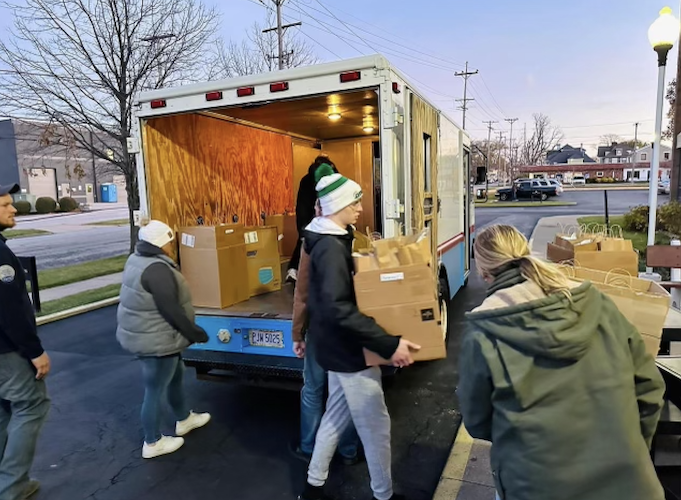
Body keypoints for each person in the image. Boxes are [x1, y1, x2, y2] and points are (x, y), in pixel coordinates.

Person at [458, 224, 666, 500]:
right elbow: (649, 388)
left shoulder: (485, 331)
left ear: (484, 273)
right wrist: (630, 450)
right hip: (630, 485)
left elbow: (478, 422)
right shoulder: (597, 302)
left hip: (536, 486)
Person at [298, 165, 420, 500]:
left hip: (334, 348)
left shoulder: (327, 239)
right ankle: (384, 495)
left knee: (336, 414)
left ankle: (313, 485)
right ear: (337, 205)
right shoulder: (330, 247)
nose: (360, 208)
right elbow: (339, 307)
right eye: (355, 203)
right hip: (348, 351)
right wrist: (389, 343)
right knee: (376, 427)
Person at [116, 220, 211, 459]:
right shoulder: (157, 270)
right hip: (156, 341)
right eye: (169, 240)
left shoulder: (138, 259)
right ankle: (152, 442)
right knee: (155, 389)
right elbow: (171, 309)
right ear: (162, 242)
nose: (172, 244)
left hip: (151, 335)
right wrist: (195, 333)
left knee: (176, 374)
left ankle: (184, 419)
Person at [290, 200, 361, 466]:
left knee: (312, 389)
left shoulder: (313, 240)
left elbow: (303, 293)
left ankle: (309, 446)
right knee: (344, 392)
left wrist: (298, 332)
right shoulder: (351, 236)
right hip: (347, 329)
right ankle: (349, 450)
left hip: (320, 330)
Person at [0, 183, 50, 500]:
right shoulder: (0, 256)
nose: (14, 208)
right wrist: (36, 352)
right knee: (32, 405)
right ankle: (12, 486)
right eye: (5, 205)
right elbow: (9, 311)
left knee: (5, 412)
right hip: (8, 352)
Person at [286, 155, 338, 283]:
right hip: (311, 213)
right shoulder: (307, 181)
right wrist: (302, 229)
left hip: (330, 213)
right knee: (305, 239)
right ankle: (294, 269)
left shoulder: (334, 176)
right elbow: (302, 207)